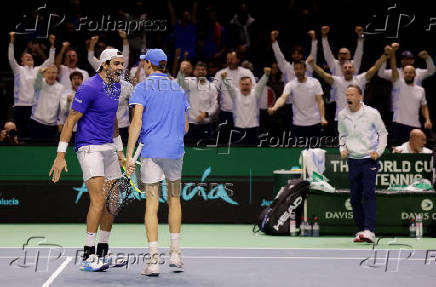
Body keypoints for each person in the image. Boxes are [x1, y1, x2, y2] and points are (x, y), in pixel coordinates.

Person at [49, 49, 126, 272]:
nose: (120, 68)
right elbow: (71, 119)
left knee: (113, 200)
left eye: (122, 64)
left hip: (109, 148)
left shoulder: (116, 86)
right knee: (99, 199)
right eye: (116, 64)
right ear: (104, 65)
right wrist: (60, 154)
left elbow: (112, 120)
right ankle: (87, 255)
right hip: (89, 147)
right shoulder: (89, 87)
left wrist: (120, 151)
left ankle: (103, 251)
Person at [126, 49, 189, 276]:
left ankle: (153, 262)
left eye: (144, 63)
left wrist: (129, 155)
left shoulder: (142, 88)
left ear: (148, 65)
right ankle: (175, 255)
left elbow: (136, 123)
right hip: (174, 151)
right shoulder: (178, 89)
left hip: (151, 151)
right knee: (174, 199)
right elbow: (185, 128)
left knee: (151, 204)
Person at [338, 84, 388, 243]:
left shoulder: (372, 113)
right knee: (354, 199)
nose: (348, 98)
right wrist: (342, 149)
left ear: (360, 97)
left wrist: (378, 151)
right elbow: (342, 134)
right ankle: (361, 231)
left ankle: (369, 230)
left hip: (369, 159)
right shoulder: (342, 115)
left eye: (352, 94)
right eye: (347, 94)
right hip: (353, 160)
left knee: (368, 194)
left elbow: (383, 132)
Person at [307, 53, 386, 125]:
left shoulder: (360, 79)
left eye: (350, 67)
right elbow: (323, 74)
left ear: (353, 70)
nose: (348, 69)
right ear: (342, 70)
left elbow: (374, 69)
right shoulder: (337, 81)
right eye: (345, 67)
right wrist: (313, 65)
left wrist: (382, 59)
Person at [8, 32, 55, 139]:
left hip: (35, 106)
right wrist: (11, 40)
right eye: (26, 56)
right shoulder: (18, 69)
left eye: (30, 57)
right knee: (20, 133)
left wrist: (52, 45)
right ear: (22, 62)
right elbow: (11, 58)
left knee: (32, 133)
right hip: (20, 106)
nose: (29, 56)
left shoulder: (37, 70)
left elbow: (50, 62)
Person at [268, 61, 327, 140]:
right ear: (294, 70)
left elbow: (320, 101)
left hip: (315, 123)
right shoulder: (290, 85)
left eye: (301, 68)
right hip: (298, 124)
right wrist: (274, 107)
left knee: (316, 151)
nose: (299, 71)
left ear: (305, 69)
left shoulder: (314, 82)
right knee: (299, 151)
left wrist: (322, 117)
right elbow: (283, 98)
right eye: (296, 69)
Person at [388, 47, 432, 144]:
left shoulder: (421, 90)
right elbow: (393, 67)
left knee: (415, 151)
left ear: (415, 74)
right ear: (403, 74)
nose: (408, 74)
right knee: (398, 151)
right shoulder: (398, 84)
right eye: (405, 73)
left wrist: (428, 119)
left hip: (415, 123)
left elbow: (424, 107)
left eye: (410, 73)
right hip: (399, 123)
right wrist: (392, 54)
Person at [221, 67, 270, 145]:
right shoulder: (235, 94)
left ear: (251, 85)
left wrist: (266, 75)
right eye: (243, 84)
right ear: (239, 85)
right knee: (238, 155)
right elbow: (228, 85)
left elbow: (262, 83)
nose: (245, 86)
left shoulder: (256, 94)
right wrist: (224, 77)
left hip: (254, 129)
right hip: (238, 130)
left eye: (247, 84)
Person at [214, 50, 255, 143]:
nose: (230, 61)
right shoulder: (220, 73)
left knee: (241, 142)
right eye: (228, 59)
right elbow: (214, 91)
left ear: (238, 60)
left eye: (232, 59)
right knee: (223, 142)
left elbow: (253, 90)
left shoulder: (246, 72)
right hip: (225, 113)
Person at [178, 61, 218, 145]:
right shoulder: (189, 82)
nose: (200, 72)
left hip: (205, 124)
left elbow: (214, 106)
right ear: (194, 71)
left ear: (206, 72)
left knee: (205, 151)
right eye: (198, 70)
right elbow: (179, 82)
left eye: (203, 70)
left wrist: (206, 114)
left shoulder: (212, 87)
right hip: (190, 125)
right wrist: (181, 72)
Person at [29, 66, 65, 142]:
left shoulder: (61, 87)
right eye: (48, 73)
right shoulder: (39, 84)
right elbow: (38, 78)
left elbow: (62, 108)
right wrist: (40, 72)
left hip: (52, 125)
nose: (51, 75)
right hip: (36, 123)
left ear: (57, 74)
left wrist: (61, 122)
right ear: (44, 74)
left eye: (53, 73)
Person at [59, 72, 84, 143]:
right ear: (71, 81)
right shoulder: (65, 94)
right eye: (74, 79)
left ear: (82, 80)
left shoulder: (87, 94)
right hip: (69, 129)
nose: (76, 81)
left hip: (84, 130)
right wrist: (67, 102)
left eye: (78, 78)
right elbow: (62, 111)